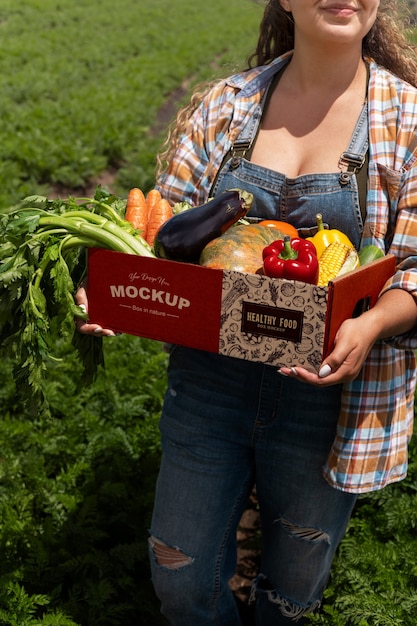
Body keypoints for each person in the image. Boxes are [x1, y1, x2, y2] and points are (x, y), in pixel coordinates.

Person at [76, 0, 417, 623]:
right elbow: (164, 229)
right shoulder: (227, 105)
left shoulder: (407, 119)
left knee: (290, 594)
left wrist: (370, 323)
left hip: (328, 397)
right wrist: (118, 289)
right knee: (180, 580)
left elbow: (416, 268)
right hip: (210, 381)